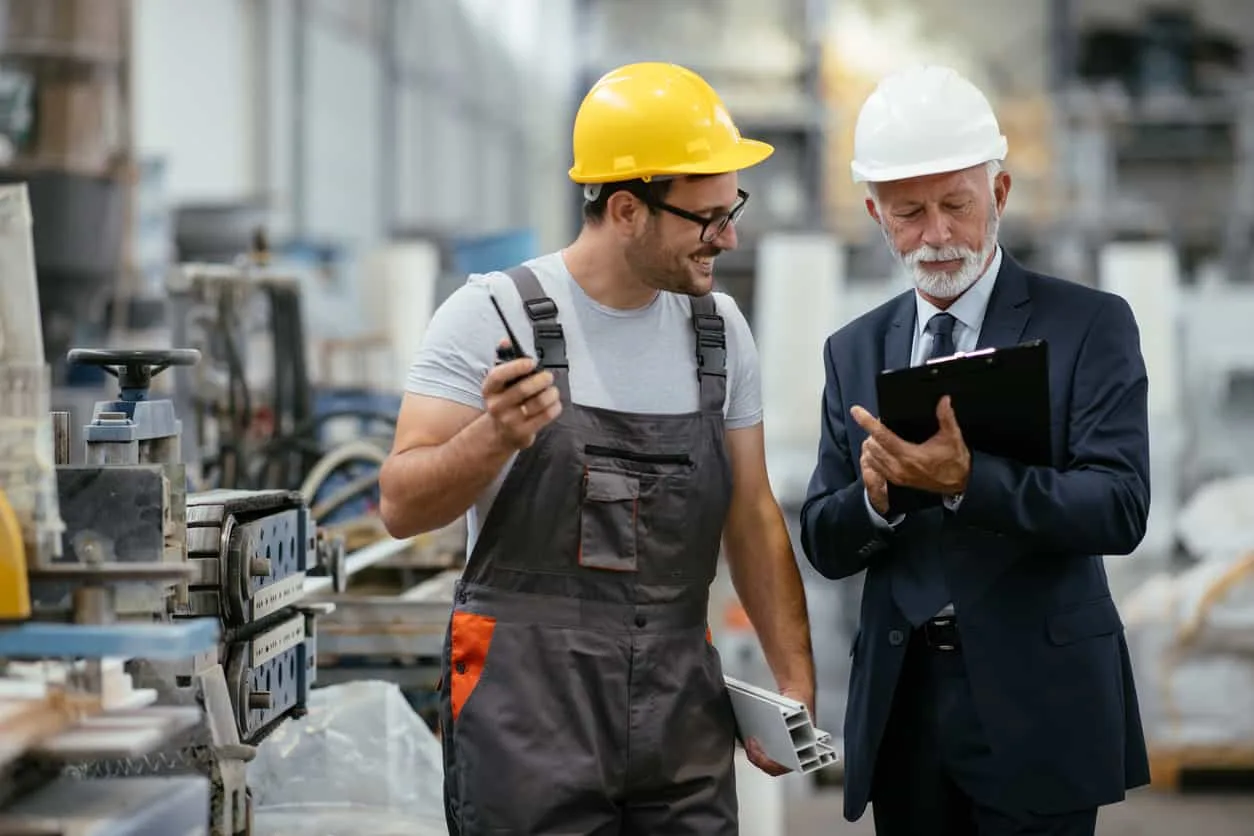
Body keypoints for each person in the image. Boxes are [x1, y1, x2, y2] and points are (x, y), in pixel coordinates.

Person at [379, 61, 815, 835]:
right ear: (626, 209)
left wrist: (793, 683)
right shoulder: (490, 318)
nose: (730, 235)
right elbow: (401, 504)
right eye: (709, 217)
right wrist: (493, 438)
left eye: (730, 209)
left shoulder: (719, 332)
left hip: (680, 712)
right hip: (528, 715)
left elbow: (750, 514)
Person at [800, 64, 1152, 836]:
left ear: (998, 194)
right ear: (874, 213)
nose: (936, 235)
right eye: (908, 212)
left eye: (956, 205)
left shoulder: (1087, 326)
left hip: (1039, 703)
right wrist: (875, 500)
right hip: (906, 710)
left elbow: (1120, 507)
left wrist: (969, 483)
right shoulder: (853, 350)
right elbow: (824, 539)